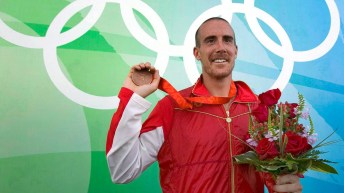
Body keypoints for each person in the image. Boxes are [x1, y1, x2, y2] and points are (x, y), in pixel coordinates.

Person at [106, 17, 303, 193]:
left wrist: (283, 185)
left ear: (236, 50)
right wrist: (133, 101)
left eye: (227, 40)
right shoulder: (171, 108)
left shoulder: (260, 111)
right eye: (210, 41)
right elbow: (123, 172)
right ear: (197, 52)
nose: (220, 47)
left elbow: (273, 178)